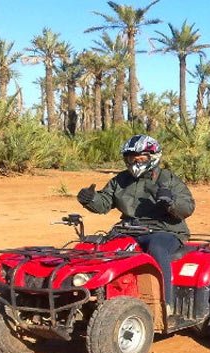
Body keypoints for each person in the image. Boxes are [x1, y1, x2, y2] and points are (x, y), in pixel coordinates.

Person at [77, 134, 195, 316]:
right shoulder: (121, 180)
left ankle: (165, 303)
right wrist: (90, 199)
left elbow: (187, 207)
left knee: (156, 249)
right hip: (129, 229)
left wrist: (170, 202)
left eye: (140, 158)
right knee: (100, 248)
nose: (135, 162)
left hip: (164, 230)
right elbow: (104, 203)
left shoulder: (168, 179)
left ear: (152, 157)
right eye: (131, 158)